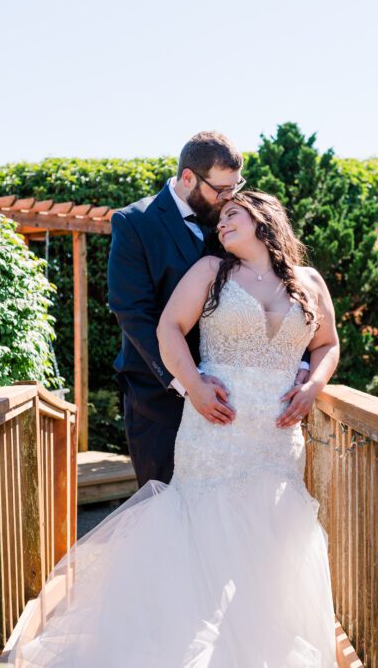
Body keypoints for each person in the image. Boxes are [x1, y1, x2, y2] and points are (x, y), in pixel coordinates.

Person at [9, 189, 342, 667]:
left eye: (233, 215)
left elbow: (327, 343)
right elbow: (168, 328)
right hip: (214, 433)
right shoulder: (210, 272)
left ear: (263, 221)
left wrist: (313, 386)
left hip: (276, 438)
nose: (221, 225)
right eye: (220, 218)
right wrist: (193, 386)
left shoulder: (309, 282)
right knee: (205, 536)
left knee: (271, 546)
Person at [106, 131, 311, 488]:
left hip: (240, 407)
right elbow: (133, 313)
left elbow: (275, 283)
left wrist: (300, 360)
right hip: (159, 398)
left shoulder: (230, 218)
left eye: (235, 186)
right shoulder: (134, 223)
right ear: (188, 178)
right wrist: (189, 383)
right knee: (168, 517)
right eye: (221, 189)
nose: (230, 197)